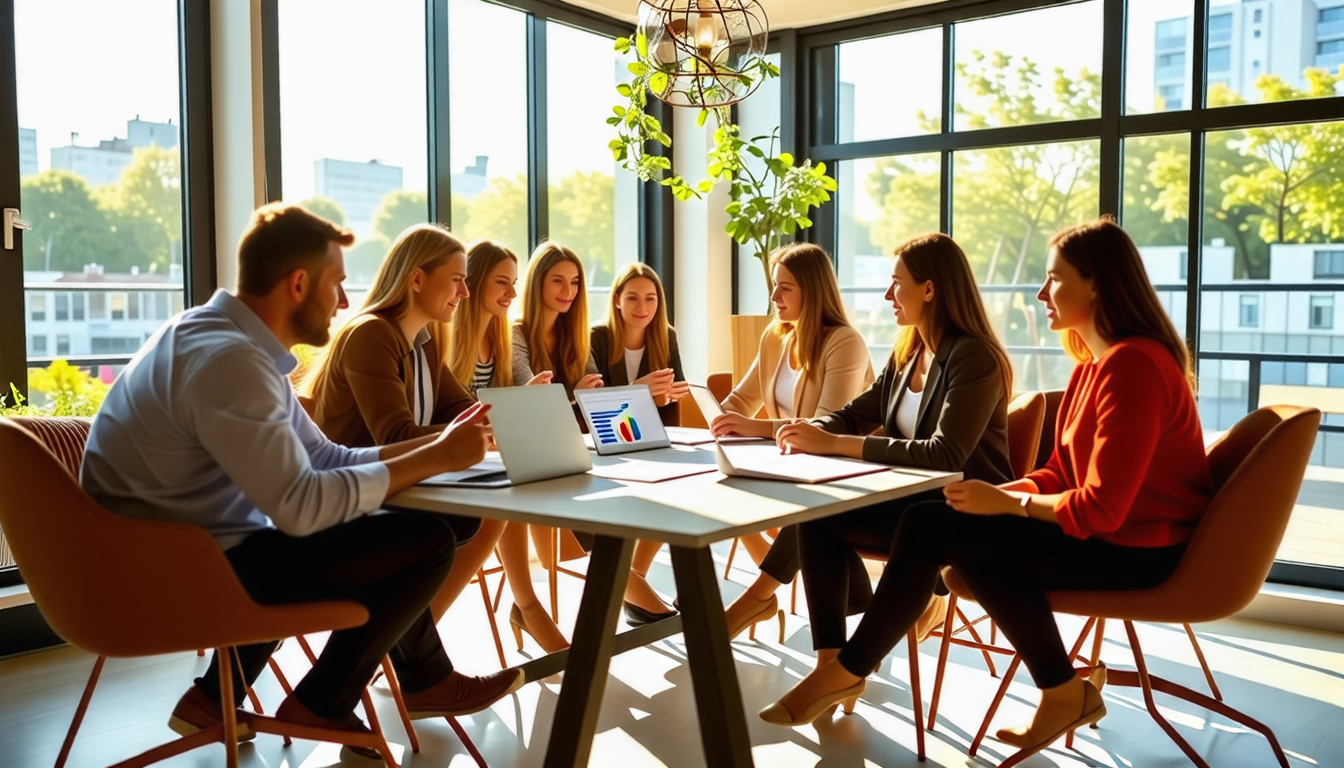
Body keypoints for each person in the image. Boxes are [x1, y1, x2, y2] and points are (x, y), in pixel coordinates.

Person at [80, 203, 524, 761]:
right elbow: (300, 506)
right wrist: (433, 457)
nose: (344, 301)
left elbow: (325, 454)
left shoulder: (219, 339)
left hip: (180, 552)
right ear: (298, 284)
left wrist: (436, 449)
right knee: (425, 541)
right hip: (172, 576)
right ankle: (327, 702)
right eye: (337, 285)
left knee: (420, 532)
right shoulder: (228, 360)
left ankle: (223, 697)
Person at [761, 219, 1211, 768]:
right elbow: (1057, 471)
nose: (1041, 293)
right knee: (947, 538)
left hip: (1139, 551)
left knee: (930, 528)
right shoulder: (1093, 368)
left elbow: (1102, 506)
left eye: (1054, 279)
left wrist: (1010, 502)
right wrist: (1007, 494)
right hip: (1111, 534)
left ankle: (848, 669)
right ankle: (1061, 689)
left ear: (1097, 284)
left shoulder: (1133, 366)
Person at [754, 232, 1013, 680]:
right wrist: (810, 431)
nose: (887, 294)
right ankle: (828, 663)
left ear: (929, 289)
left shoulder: (974, 357)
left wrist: (833, 445)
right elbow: (855, 414)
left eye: (897, 283)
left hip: (964, 511)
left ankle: (845, 665)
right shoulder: (908, 351)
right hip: (913, 505)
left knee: (881, 517)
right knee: (816, 511)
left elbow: (944, 454)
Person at [300, 224, 510, 635]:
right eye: (456, 280)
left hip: (398, 488)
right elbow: (394, 436)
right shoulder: (371, 334)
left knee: (477, 518)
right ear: (417, 279)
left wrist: (507, 414)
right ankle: (408, 640)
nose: (464, 294)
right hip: (354, 498)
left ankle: (409, 637)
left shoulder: (425, 340)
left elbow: (466, 411)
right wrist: (472, 433)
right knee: (462, 523)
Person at [709, 242, 874, 634]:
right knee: (714, 483)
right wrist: (716, 417)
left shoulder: (845, 342)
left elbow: (829, 425)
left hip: (842, 468)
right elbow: (743, 398)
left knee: (810, 513)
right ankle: (852, 628)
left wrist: (756, 429)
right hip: (789, 463)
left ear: (812, 292)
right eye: (774, 285)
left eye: (785, 288)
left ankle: (758, 597)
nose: (774, 296)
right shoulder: (775, 337)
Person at [512, 242, 676, 627]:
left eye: (574, 282)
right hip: (538, 451)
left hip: (581, 447)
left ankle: (629, 581)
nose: (568, 291)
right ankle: (628, 585)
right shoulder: (516, 334)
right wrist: (578, 397)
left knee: (655, 489)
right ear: (537, 285)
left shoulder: (577, 336)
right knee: (593, 497)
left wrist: (587, 399)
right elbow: (530, 400)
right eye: (558, 281)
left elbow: (596, 405)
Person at [589, 262, 690, 426]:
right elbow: (595, 402)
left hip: (653, 431)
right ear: (617, 300)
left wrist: (663, 397)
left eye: (650, 299)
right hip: (609, 432)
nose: (642, 307)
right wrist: (637, 390)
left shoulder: (666, 335)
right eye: (632, 298)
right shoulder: (595, 338)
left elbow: (676, 391)